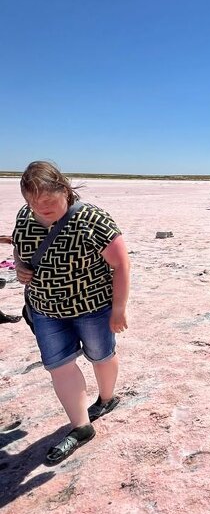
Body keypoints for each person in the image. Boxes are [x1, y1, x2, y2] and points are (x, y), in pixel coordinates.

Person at [12, 161, 130, 465]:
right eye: (34, 203)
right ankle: (81, 427)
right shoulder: (26, 216)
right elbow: (19, 246)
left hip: (92, 307)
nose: (42, 208)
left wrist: (119, 309)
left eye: (49, 201)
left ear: (64, 190)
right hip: (45, 309)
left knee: (101, 356)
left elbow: (121, 264)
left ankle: (106, 398)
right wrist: (21, 266)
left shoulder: (93, 219)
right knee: (58, 365)